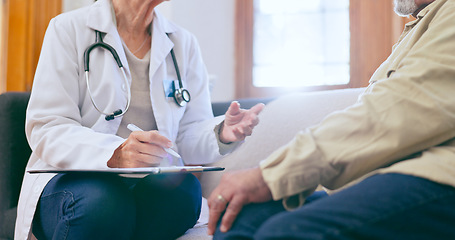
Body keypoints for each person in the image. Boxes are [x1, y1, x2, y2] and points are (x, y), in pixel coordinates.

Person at [14, 0, 264, 239]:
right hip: (72, 179)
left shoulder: (182, 42)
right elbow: (48, 127)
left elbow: (186, 135)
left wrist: (221, 133)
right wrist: (116, 152)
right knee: (103, 203)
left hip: (145, 182)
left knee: (184, 193)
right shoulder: (68, 29)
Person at [207, 0, 455, 239]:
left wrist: (272, 175)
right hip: (386, 175)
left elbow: (394, 113)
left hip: (439, 179)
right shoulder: (420, 28)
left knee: (286, 233)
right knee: (241, 220)